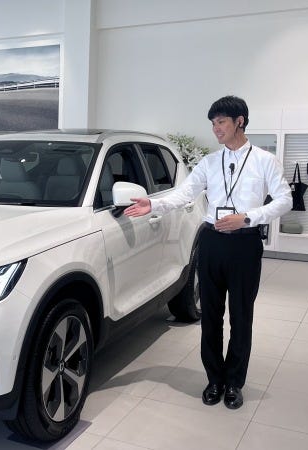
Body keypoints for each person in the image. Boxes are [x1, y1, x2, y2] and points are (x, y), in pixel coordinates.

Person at [124, 95, 292, 409]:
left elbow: (285, 200)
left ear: (240, 121)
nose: (216, 128)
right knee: (211, 316)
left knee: (241, 316)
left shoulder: (264, 161)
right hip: (212, 242)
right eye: (213, 123)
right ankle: (215, 379)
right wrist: (153, 204)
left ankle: (234, 383)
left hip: (244, 244)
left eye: (221, 122)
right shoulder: (209, 162)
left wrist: (248, 217)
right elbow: (185, 194)